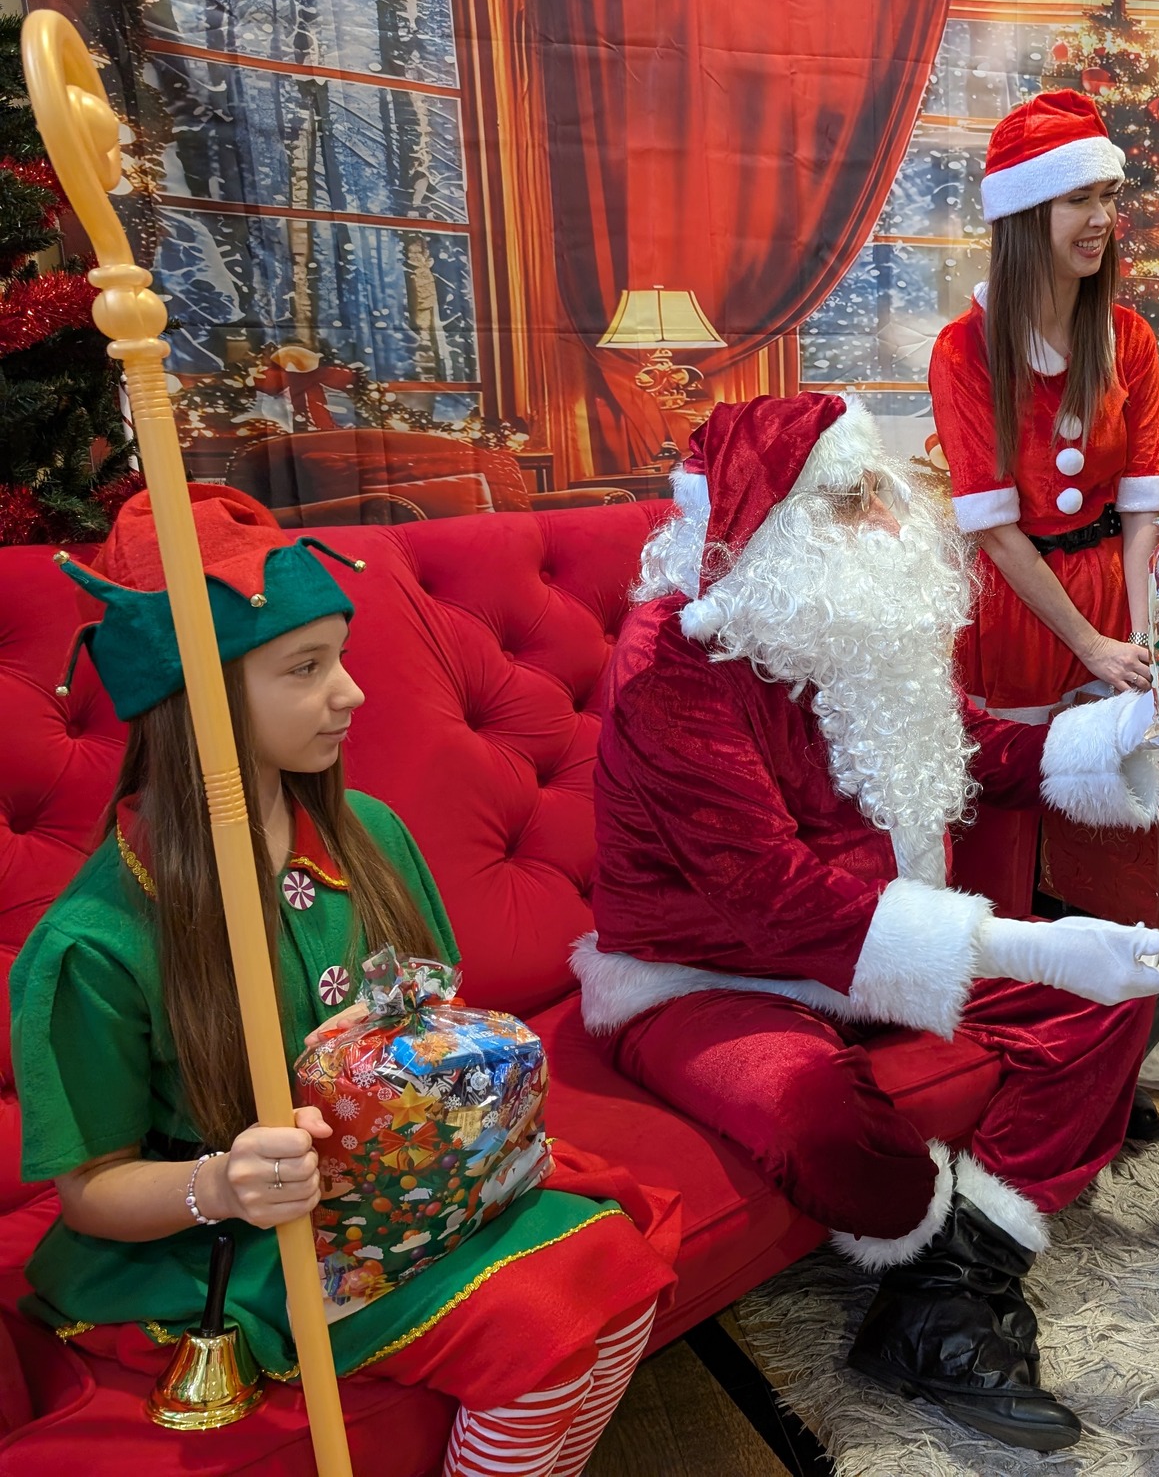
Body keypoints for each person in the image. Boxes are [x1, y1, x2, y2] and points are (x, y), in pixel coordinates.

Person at [576, 392, 1159, 1452]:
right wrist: (1029, 942)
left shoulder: (851, 619)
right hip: (703, 976)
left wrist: (1154, 716)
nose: (891, 522)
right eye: (851, 501)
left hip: (874, 952)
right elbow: (771, 900)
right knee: (810, 1108)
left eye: (880, 491)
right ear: (765, 526)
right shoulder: (674, 660)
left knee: (1111, 1004)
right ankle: (939, 1273)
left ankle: (944, 1295)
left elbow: (979, 748)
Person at [12, 487, 675, 1477]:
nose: (350, 693)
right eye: (304, 668)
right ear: (193, 701)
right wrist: (222, 1181)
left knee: (622, 1279)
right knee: (543, 1325)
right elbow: (93, 1190)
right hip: (234, 1235)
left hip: (411, 1185)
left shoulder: (371, 837)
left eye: (340, 657)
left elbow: (430, 1024)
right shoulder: (96, 943)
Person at [927, 88, 1159, 919]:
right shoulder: (964, 351)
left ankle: (1117, 981)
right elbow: (993, 530)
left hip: (1112, 583)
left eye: (1107, 196)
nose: (1102, 217)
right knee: (1023, 799)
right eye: (1080, 198)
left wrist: (1138, 637)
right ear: (1028, 214)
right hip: (1022, 611)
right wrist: (1087, 642)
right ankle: (1019, 979)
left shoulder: (1129, 337)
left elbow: (1141, 507)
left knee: (1116, 793)